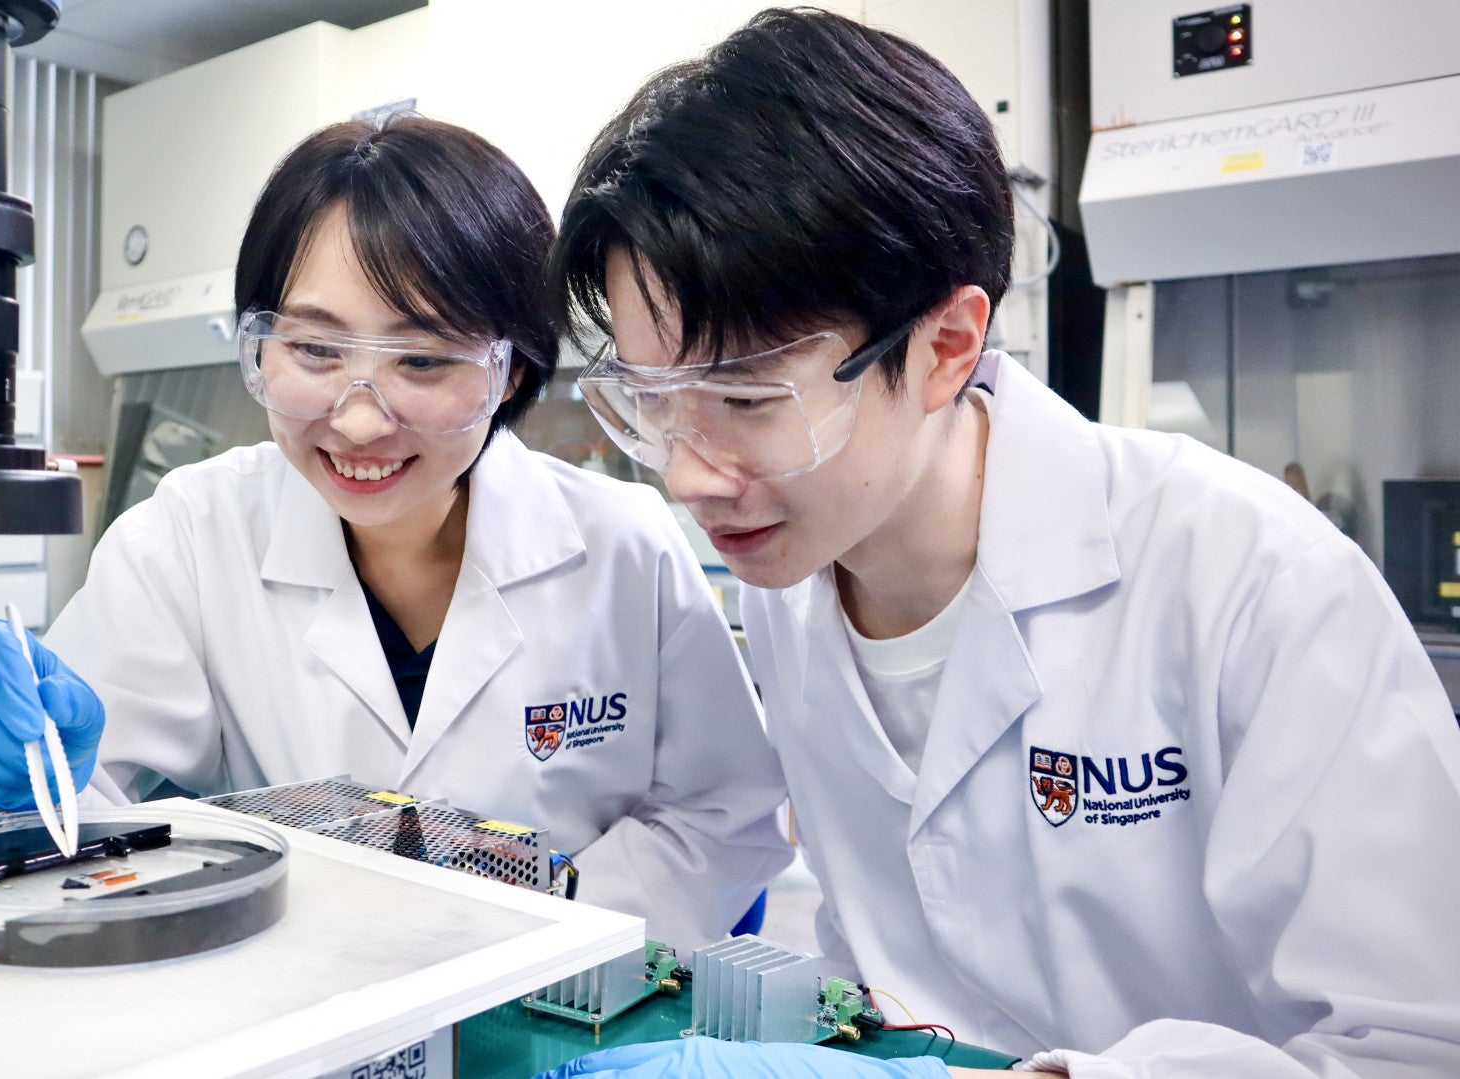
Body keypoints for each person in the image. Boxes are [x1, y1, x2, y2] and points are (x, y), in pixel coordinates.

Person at [544, 8, 1460, 1078]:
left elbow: (1416, 1044)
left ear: (945, 346)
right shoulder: (790, 580)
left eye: (748, 399)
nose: (690, 474)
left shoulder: (1250, 580)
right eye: (652, 400)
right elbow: (886, 949)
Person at [0, 115, 791, 950]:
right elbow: (62, 817)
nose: (361, 421)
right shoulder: (189, 537)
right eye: (314, 350)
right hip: (289, 994)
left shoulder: (625, 547)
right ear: (260, 345)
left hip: (558, 1002)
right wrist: (11, 777)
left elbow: (725, 816)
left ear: (512, 369)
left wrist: (530, 938)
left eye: (423, 360)